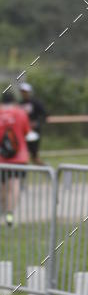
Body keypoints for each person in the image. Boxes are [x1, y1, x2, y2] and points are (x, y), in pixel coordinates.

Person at [0, 90, 31, 226]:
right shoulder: (20, 113)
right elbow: (27, 132)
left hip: (1, 159)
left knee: (3, 186)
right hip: (19, 157)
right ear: (13, 101)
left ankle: (3, 209)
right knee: (15, 185)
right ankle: (10, 215)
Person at [19, 82, 47, 165]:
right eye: (22, 91)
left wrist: (37, 122)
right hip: (23, 133)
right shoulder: (20, 104)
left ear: (29, 92)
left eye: (25, 91)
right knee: (23, 154)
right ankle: (21, 174)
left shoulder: (36, 103)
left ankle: (48, 171)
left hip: (34, 132)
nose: (24, 93)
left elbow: (45, 115)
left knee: (34, 157)